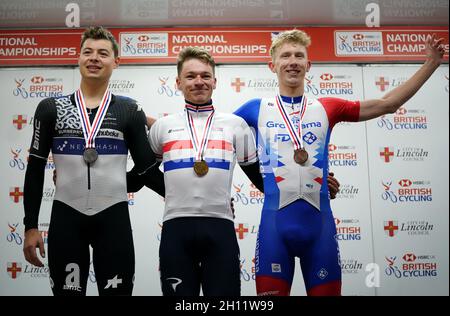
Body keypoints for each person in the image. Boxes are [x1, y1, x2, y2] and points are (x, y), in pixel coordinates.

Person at [233, 30, 445, 296]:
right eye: (285, 56)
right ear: (272, 65)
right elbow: (214, 134)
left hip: (319, 229)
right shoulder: (255, 107)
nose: (293, 61)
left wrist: (431, 64)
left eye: (299, 55)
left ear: (308, 65)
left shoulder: (327, 106)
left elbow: (388, 104)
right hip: (274, 230)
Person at [22, 26, 160, 296]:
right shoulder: (51, 108)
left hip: (114, 219)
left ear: (116, 62)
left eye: (103, 53)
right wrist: (30, 226)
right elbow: (35, 168)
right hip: (66, 218)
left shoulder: (129, 110)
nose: (94, 58)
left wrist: (192, 198)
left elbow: (147, 171)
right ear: (79, 58)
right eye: (88, 52)